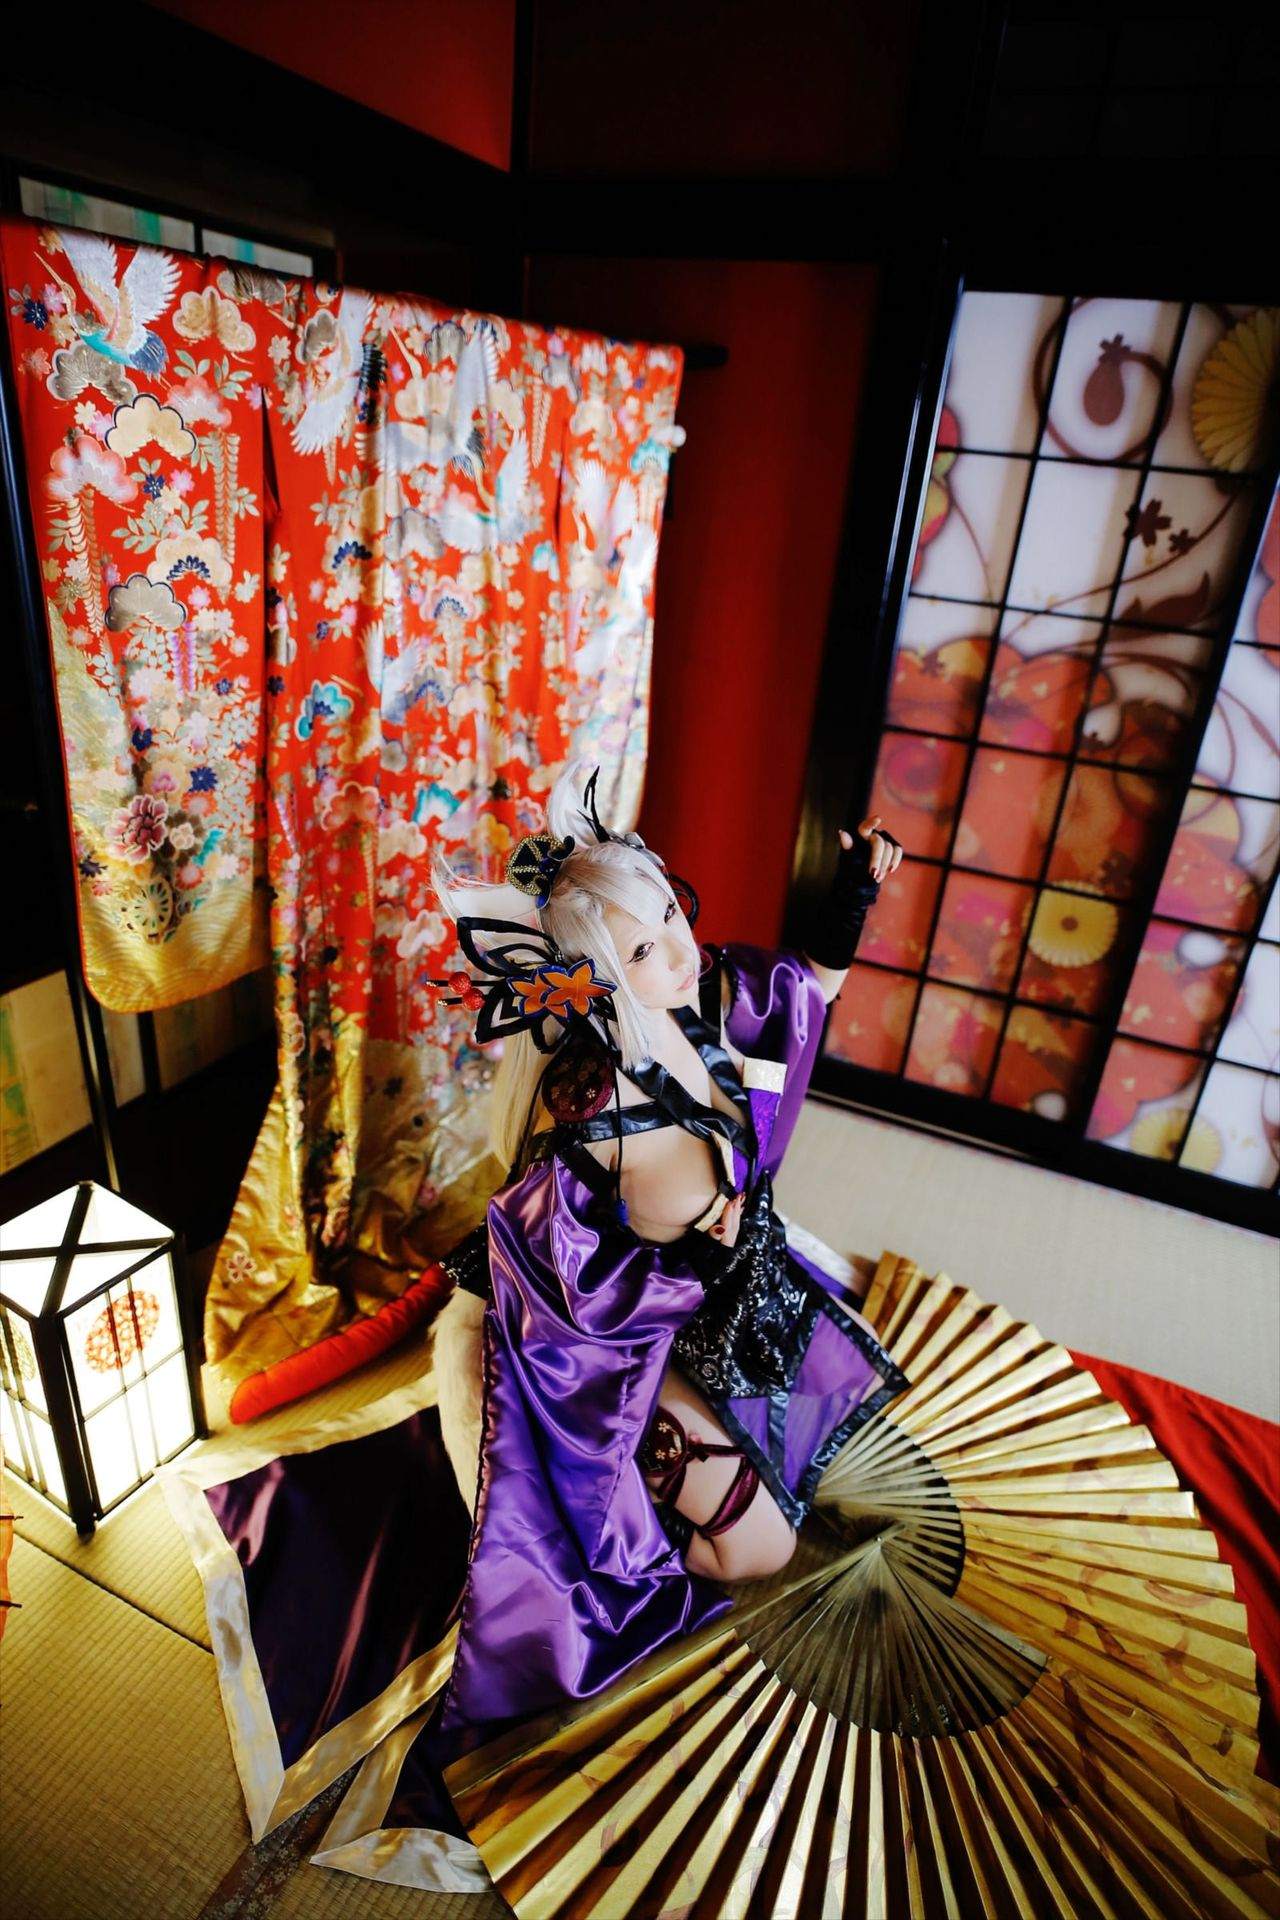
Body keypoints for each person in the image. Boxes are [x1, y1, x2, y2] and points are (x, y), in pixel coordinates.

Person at [422, 757, 909, 1776]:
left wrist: (852, 896)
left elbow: (804, 991)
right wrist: (686, 1261)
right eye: (641, 948)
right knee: (760, 1550)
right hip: (643, 1344)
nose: (680, 950)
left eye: (671, 916)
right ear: (590, 977)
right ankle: (630, 1530)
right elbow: (562, 1302)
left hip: (749, 1293)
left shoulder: (709, 995)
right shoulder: (588, 1116)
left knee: (853, 1454)